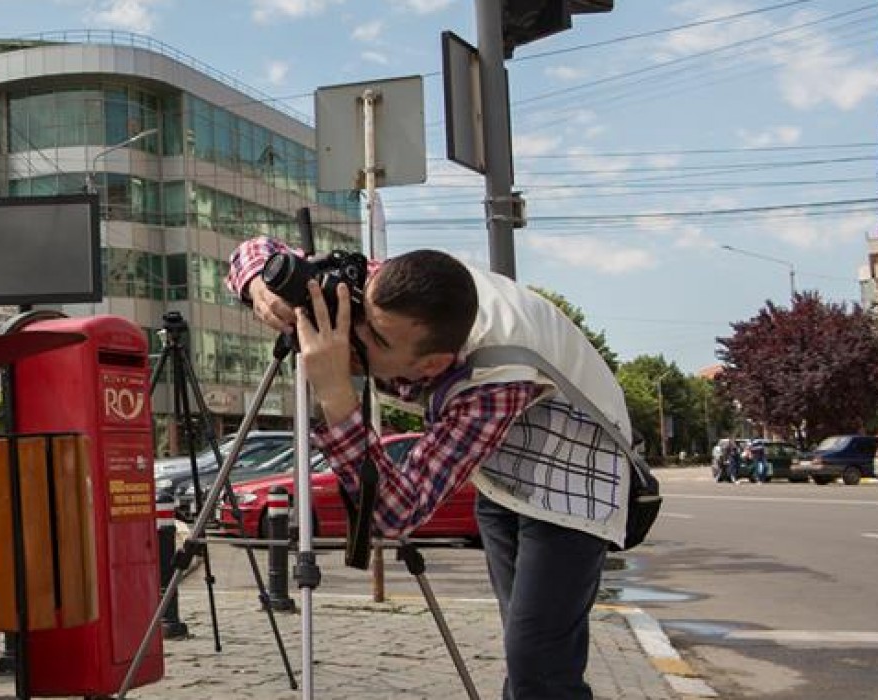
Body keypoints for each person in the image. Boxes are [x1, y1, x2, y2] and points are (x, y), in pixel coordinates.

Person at [229, 238, 633, 700]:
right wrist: (262, 284)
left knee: (539, 664)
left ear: (433, 363)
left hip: (574, 472)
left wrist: (336, 394)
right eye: (362, 315)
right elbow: (255, 248)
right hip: (499, 471)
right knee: (522, 643)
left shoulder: (494, 380)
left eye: (375, 339)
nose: (353, 333)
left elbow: (396, 513)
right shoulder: (388, 292)